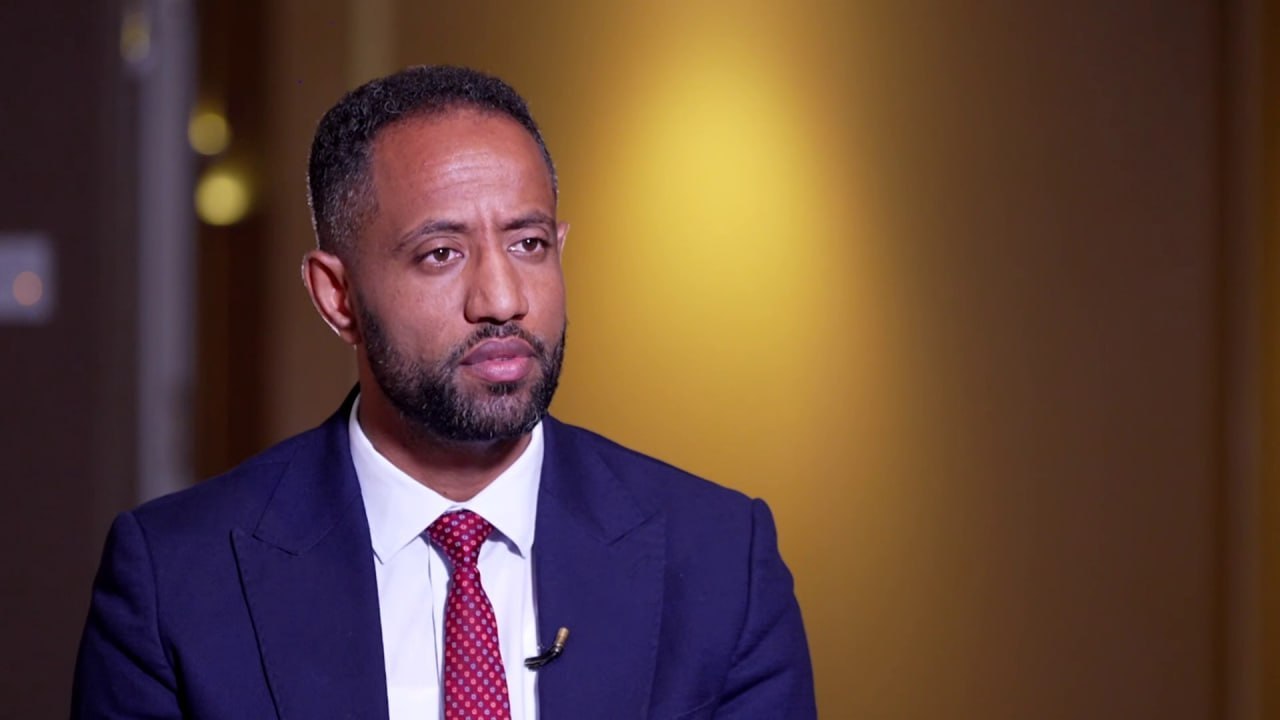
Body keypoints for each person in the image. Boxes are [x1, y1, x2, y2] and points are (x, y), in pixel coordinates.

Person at [72, 65, 816, 719]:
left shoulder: (722, 559)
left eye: (528, 244)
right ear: (337, 296)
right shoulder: (176, 581)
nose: (502, 299)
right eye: (441, 254)